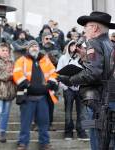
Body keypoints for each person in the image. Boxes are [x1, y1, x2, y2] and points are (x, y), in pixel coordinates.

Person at [58, 11, 115, 150]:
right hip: (108, 101)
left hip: (99, 102)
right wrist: (85, 57)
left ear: (95, 28)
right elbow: (102, 69)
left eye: (86, 26)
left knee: (97, 139)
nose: (84, 30)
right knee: (106, 137)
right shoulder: (109, 43)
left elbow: (93, 73)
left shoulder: (94, 43)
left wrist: (71, 80)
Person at [13, 40, 58, 150]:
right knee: (25, 122)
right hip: (27, 96)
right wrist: (27, 85)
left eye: (36, 46)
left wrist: (50, 83)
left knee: (44, 122)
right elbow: (17, 73)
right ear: (28, 48)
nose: (34, 48)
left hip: (43, 97)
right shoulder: (21, 60)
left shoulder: (45, 60)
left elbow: (53, 72)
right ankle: (22, 143)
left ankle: (45, 143)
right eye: (32, 46)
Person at [57, 40, 88, 140]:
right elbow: (58, 73)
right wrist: (65, 87)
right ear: (68, 47)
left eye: (76, 46)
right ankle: (68, 132)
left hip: (80, 88)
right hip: (68, 89)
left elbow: (87, 72)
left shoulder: (82, 59)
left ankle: (81, 131)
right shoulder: (63, 58)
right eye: (72, 45)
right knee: (68, 111)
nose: (74, 47)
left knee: (82, 112)